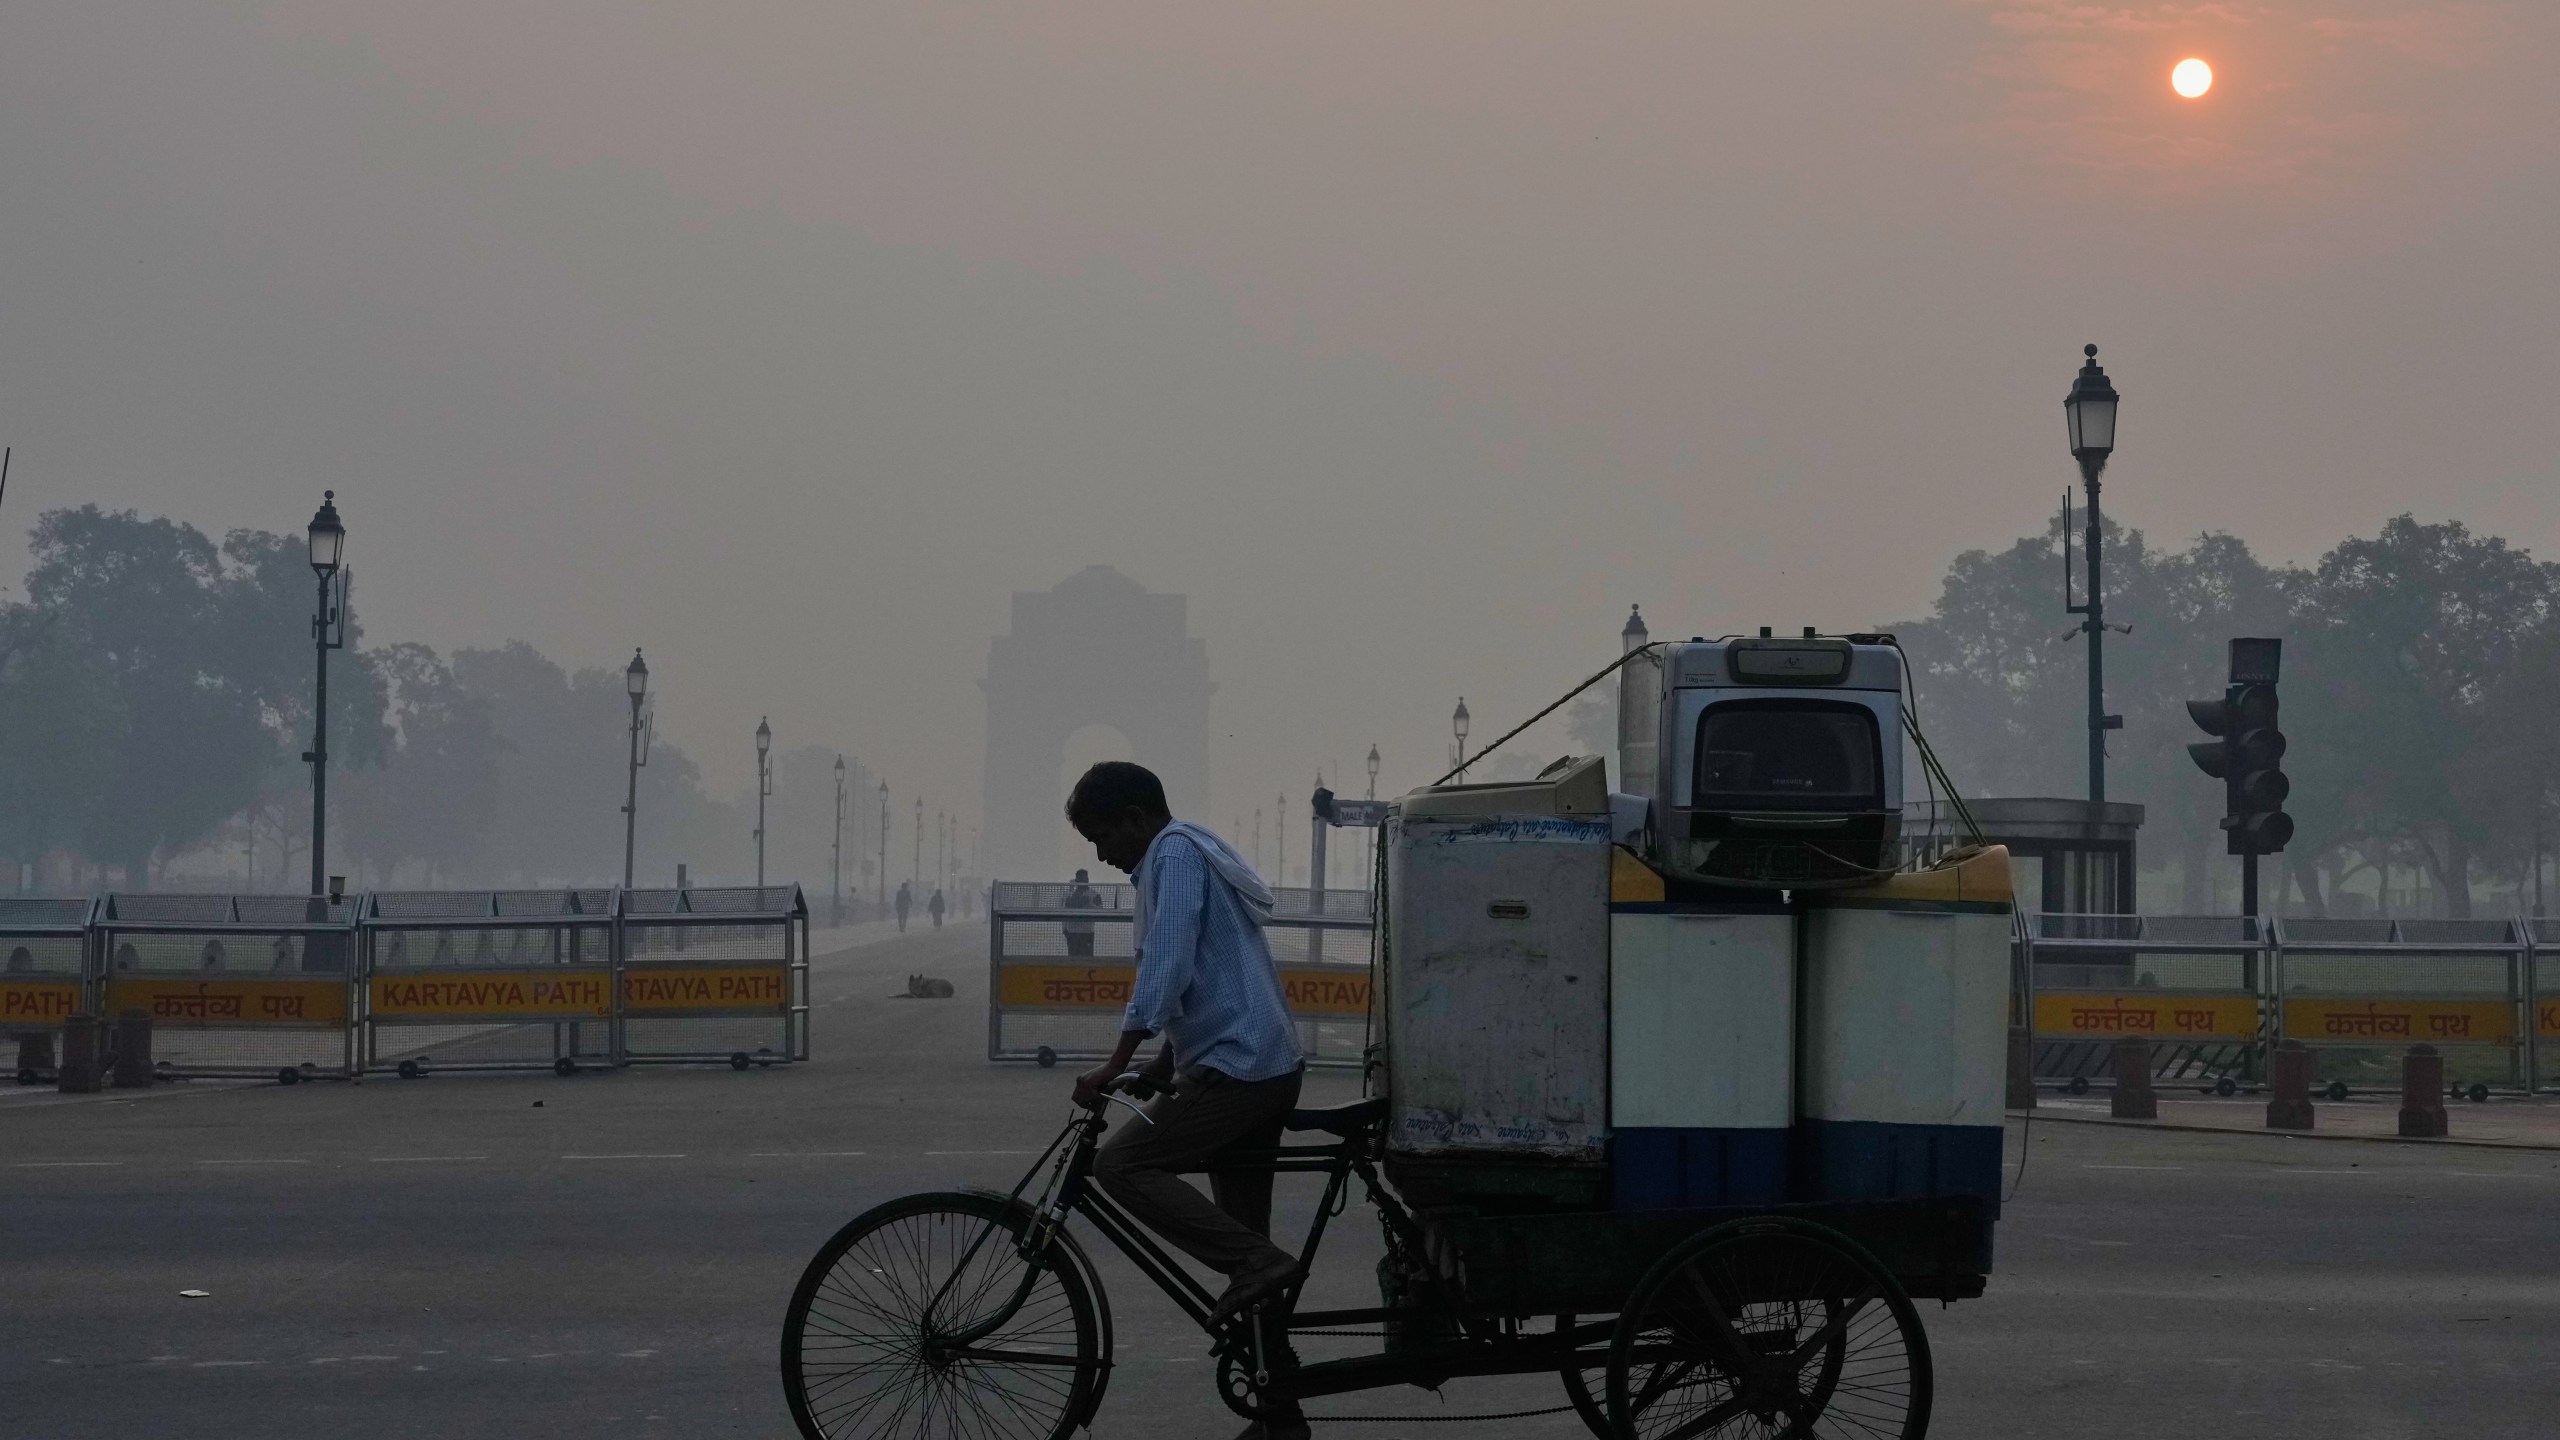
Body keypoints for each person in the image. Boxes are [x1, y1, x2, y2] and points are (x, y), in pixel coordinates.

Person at [1064, 760, 1309, 1440]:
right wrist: (1160, 1060)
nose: (1101, 854)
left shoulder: (1173, 856)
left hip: (1239, 1071)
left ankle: (1259, 1265)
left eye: (1102, 835)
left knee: (1123, 1167)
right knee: (1243, 1247)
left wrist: (1115, 1062)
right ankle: (1280, 1416)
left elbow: (1168, 963)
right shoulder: (1190, 848)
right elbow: (1209, 976)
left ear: (1137, 820)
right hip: (1256, 1064)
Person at [1061, 868, 1101, 958]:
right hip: (1072, 932)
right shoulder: (1069, 894)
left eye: (1085, 878)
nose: (1084, 881)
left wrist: (1090, 904)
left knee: (1087, 959)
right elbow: (1064, 909)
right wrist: (1064, 929)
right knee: (1072, 959)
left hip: (1087, 931)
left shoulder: (1094, 894)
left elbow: (1100, 909)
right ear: (1076, 880)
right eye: (1080, 879)